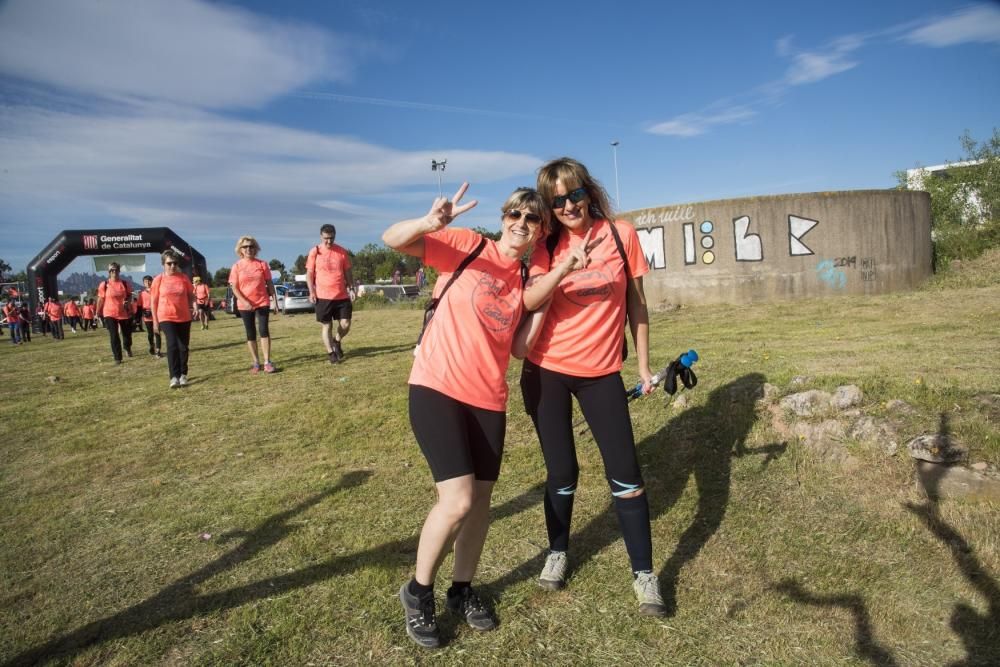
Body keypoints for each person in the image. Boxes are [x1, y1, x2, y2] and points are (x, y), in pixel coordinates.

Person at [382, 183, 547, 649]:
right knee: (455, 501)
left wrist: (542, 304)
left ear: (538, 231)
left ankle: (462, 589)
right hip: (437, 387)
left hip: (489, 399)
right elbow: (393, 237)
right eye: (515, 213)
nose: (521, 222)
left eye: (532, 219)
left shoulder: (523, 279)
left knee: (479, 505)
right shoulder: (468, 246)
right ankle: (417, 593)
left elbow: (518, 349)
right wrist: (428, 223)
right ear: (503, 217)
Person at [518, 157, 665, 616]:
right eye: (556, 199)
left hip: (602, 371)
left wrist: (642, 366)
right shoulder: (545, 244)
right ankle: (558, 551)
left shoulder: (622, 235)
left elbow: (637, 306)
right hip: (548, 370)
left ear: (589, 191)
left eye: (574, 194)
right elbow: (529, 299)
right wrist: (563, 265)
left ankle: (644, 574)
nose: (567, 206)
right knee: (562, 473)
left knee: (626, 474)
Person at [229, 236, 280, 373]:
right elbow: (235, 288)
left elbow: (269, 284)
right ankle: (256, 363)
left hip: (262, 301)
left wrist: (275, 301)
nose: (248, 249)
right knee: (250, 333)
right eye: (245, 247)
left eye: (251, 246)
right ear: (240, 249)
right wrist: (245, 302)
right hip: (244, 304)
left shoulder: (262, 264)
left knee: (264, 330)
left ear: (256, 248)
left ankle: (267, 362)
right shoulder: (236, 266)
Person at [306, 224, 353, 364]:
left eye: (331, 238)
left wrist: (351, 287)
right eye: (326, 238)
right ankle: (331, 353)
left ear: (335, 236)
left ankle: (337, 341)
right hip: (323, 296)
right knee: (327, 326)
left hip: (341, 295)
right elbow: (309, 273)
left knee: (345, 324)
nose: (329, 241)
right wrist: (311, 291)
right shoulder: (315, 252)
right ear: (321, 236)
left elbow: (348, 272)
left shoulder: (342, 252)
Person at [151, 250, 196, 388]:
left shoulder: (183, 278)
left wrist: (195, 306)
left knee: (183, 347)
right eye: (169, 263)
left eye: (175, 263)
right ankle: (174, 377)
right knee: (172, 345)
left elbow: (191, 295)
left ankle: (183, 374)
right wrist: (155, 321)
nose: (172, 266)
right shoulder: (158, 280)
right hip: (166, 316)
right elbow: (153, 301)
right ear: (163, 264)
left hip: (183, 316)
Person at [95, 263, 134, 364]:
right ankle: (118, 358)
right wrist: (97, 312)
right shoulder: (104, 284)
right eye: (112, 270)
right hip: (109, 313)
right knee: (114, 335)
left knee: (127, 335)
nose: (114, 272)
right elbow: (100, 299)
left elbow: (130, 295)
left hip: (123, 312)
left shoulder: (125, 284)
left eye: (116, 270)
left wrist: (128, 301)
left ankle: (127, 347)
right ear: (109, 272)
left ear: (119, 271)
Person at [137, 275, 162, 357]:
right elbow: (139, 306)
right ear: (143, 283)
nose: (147, 283)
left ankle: (158, 350)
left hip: (156, 315)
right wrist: (139, 316)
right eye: (145, 282)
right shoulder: (141, 294)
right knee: (150, 334)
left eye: (149, 281)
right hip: (147, 316)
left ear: (152, 281)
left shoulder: (157, 291)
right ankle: (152, 346)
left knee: (157, 332)